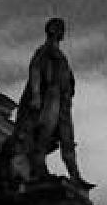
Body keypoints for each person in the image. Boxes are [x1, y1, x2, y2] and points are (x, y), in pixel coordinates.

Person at [13, 17, 92, 190]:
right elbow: (35, 71)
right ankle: (39, 167)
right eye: (57, 28)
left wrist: (68, 92)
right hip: (51, 97)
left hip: (62, 101)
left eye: (61, 29)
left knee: (66, 137)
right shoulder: (45, 50)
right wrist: (35, 96)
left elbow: (68, 80)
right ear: (51, 30)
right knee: (45, 132)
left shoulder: (59, 55)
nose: (60, 32)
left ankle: (75, 175)